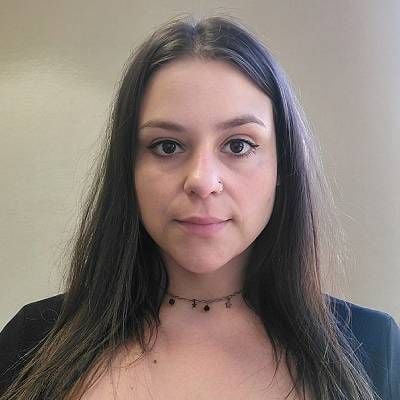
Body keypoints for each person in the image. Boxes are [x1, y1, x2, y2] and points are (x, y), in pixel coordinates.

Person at [0, 13, 399, 400]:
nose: (203, 181)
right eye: (167, 146)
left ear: (283, 165)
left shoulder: (375, 347)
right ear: (128, 169)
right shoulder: (31, 341)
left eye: (238, 145)